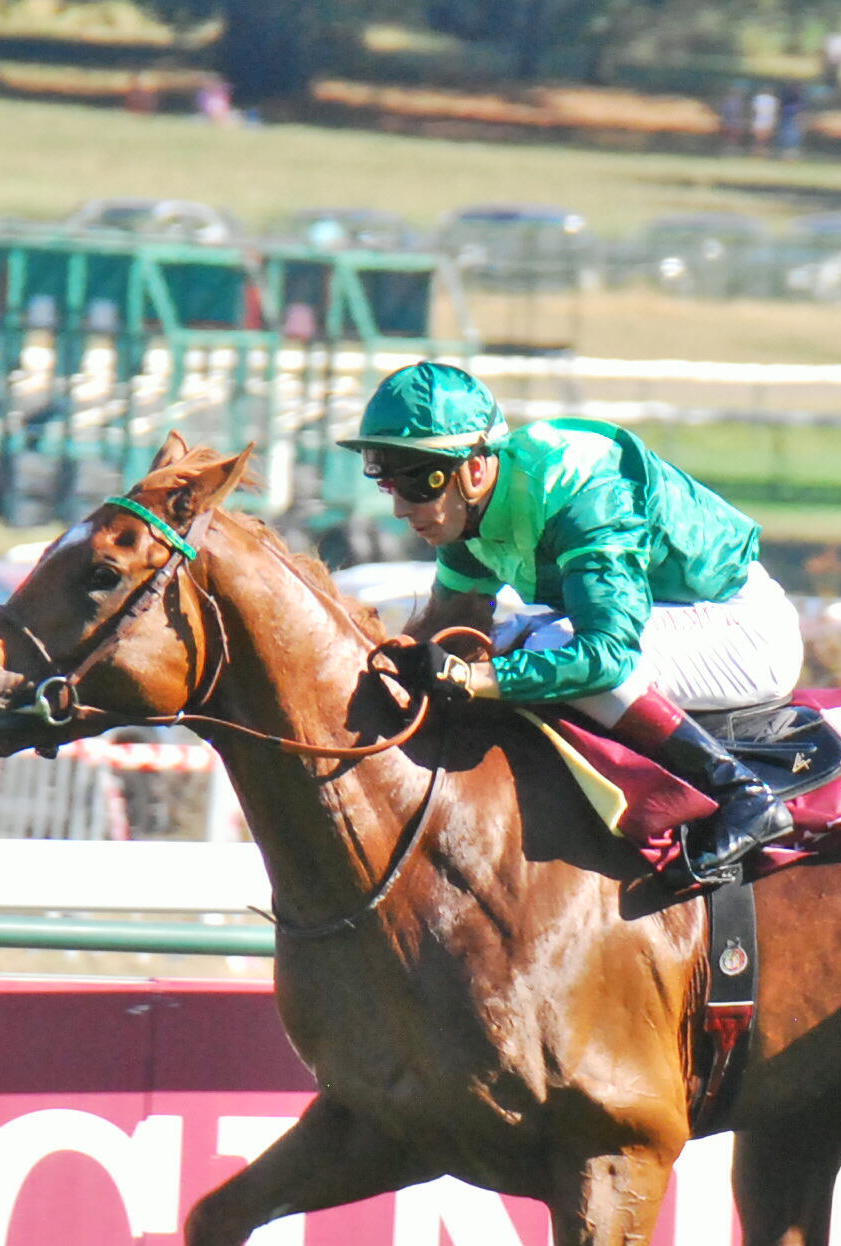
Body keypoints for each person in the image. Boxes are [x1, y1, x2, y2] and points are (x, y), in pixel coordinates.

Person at [341, 362, 803, 881]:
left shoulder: (583, 493)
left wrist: (477, 678)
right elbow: (453, 623)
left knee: (550, 644)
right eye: (387, 481)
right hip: (673, 622)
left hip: (746, 633)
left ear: (473, 468)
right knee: (513, 636)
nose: (401, 506)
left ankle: (739, 791)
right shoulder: (466, 513)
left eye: (417, 481)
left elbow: (607, 655)